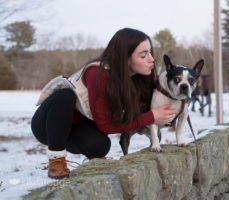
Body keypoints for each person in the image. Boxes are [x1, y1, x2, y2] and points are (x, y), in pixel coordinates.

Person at [31, 28, 176, 179]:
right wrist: (151, 117)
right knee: (65, 96)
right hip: (48, 125)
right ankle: (56, 161)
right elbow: (106, 126)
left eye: (150, 52)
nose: (151, 59)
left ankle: (89, 161)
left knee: (100, 146)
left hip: (76, 129)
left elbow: (165, 88)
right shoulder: (98, 74)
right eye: (143, 55)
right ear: (125, 58)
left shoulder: (141, 76)